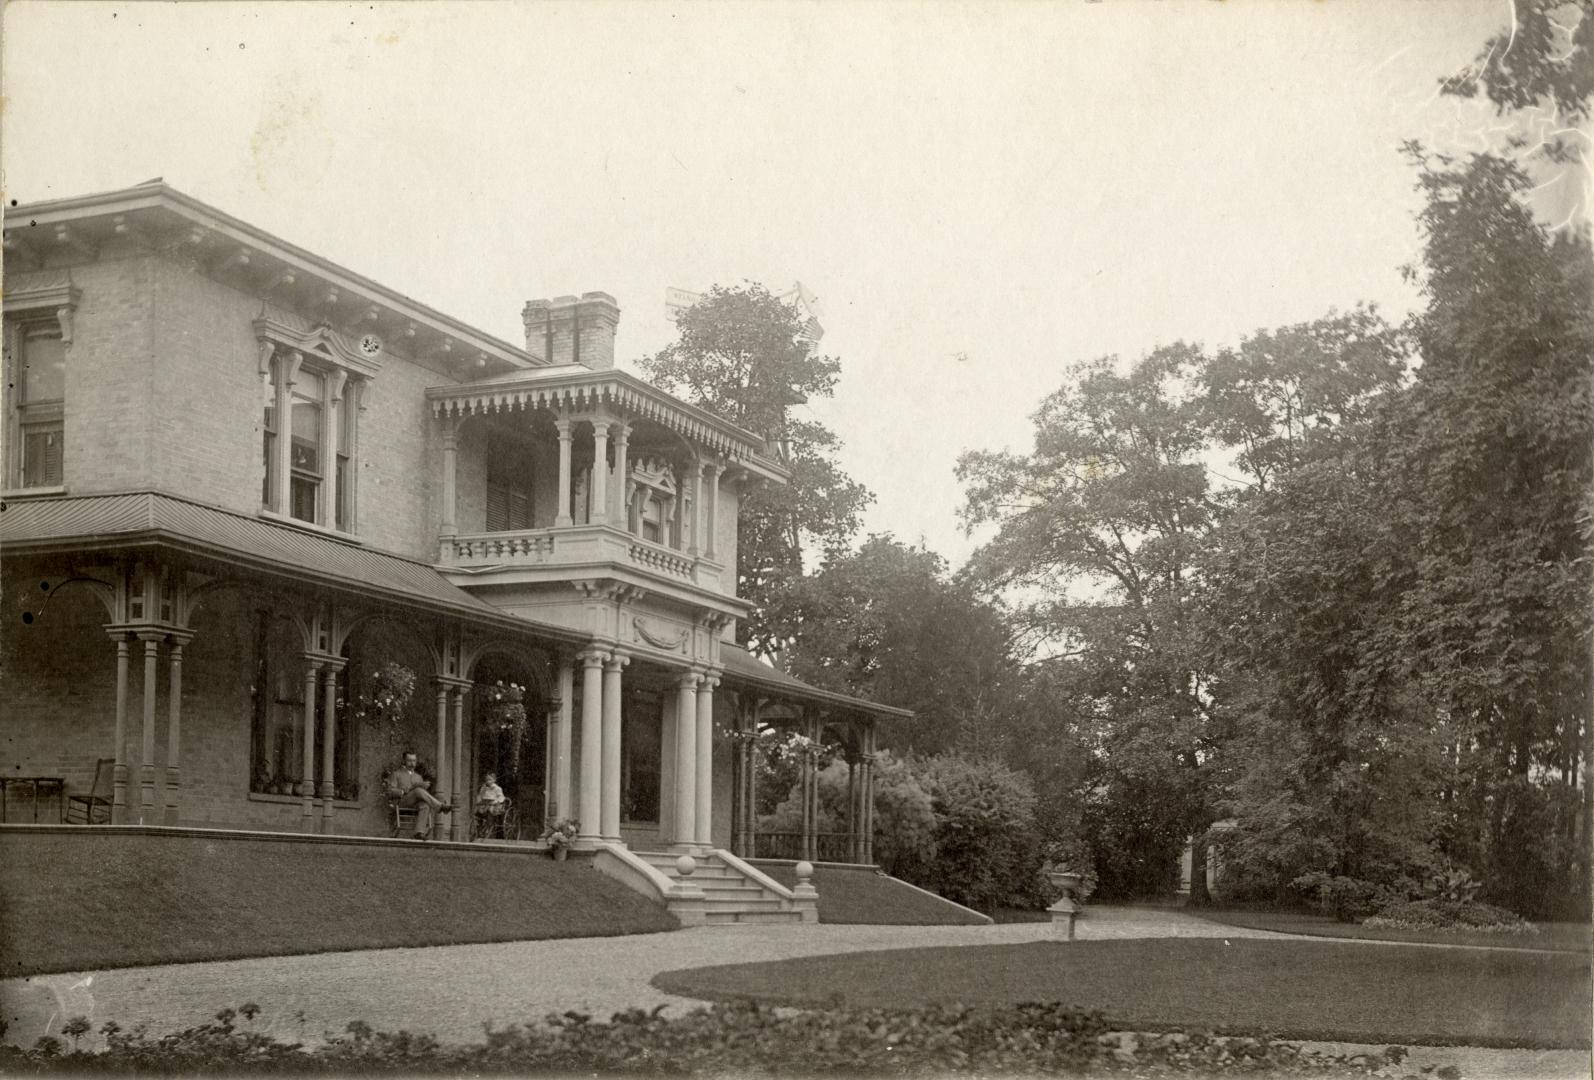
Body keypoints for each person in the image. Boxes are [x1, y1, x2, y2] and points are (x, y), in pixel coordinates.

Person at [387, 751, 451, 840]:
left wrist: (423, 787)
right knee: (417, 790)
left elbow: (422, 795)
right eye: (409, 760)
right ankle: (440, 806)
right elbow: (390, 792)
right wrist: (406, 790)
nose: (412, 763)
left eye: (414, 761)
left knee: (424, 804)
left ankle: (419, 832)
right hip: (402, 802)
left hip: (415, 804)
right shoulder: (396, 774)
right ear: (404, 761)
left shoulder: (418, 777)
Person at [474, 772, 507, 838]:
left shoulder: (497, 788)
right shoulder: (483, 788)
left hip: (495, 805)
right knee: (478, 811)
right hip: (485, 804)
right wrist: (479, 800)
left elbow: (501, 797)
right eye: (486, 780)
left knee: (490, 811)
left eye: (490, 780)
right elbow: (480, 795)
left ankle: (489, 826)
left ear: (494, 780)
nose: (488, 781)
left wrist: (497, 801)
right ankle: (479, 826)